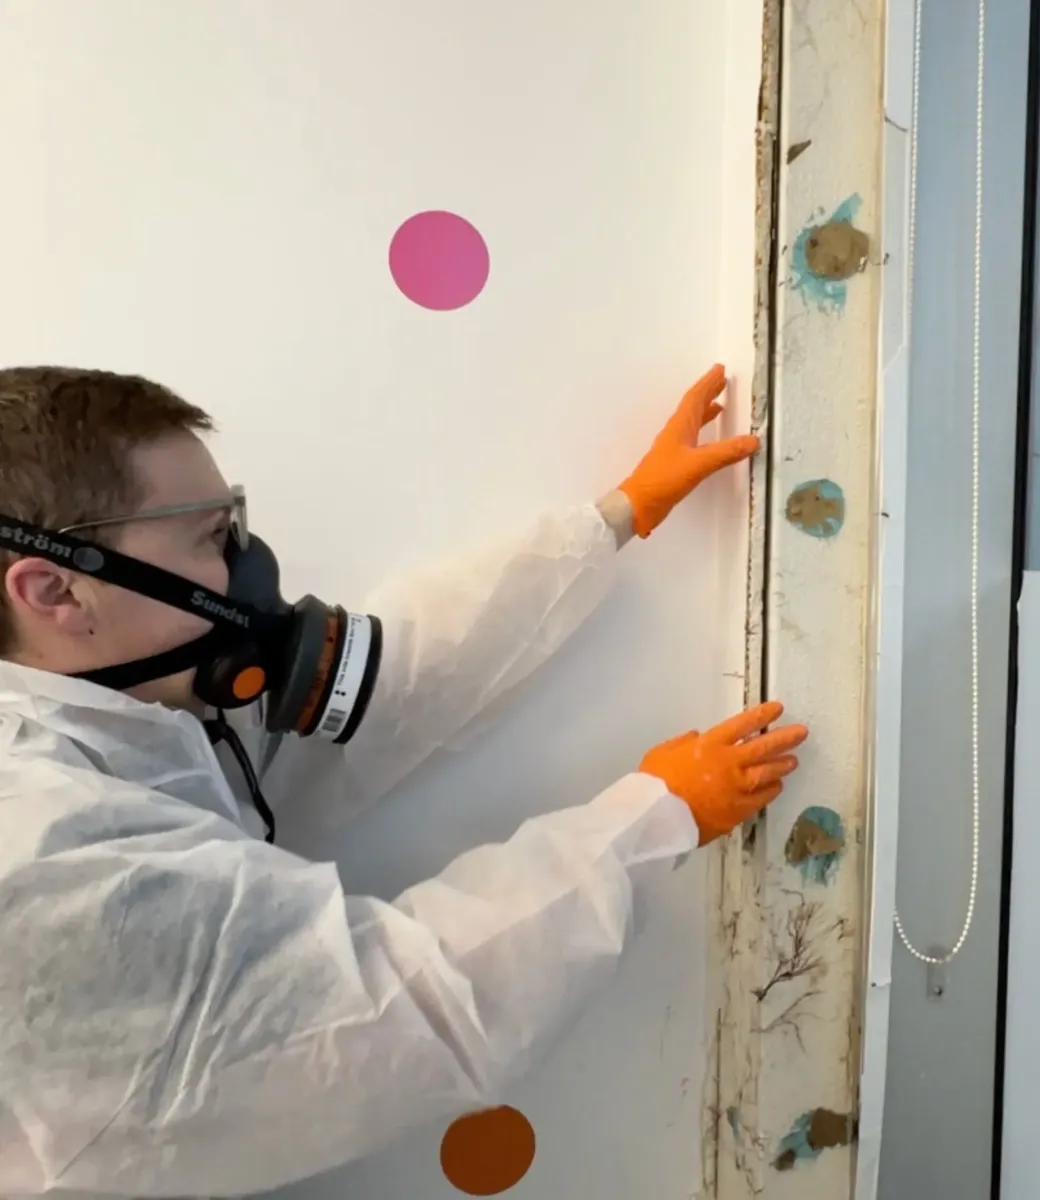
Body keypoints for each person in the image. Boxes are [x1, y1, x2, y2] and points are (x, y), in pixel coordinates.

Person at [0, 364, 808, 1199]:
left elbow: (377, 695)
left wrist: (616, 517)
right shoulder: (47, 858)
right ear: (56, 590)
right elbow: (395, 1013)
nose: (247, 564)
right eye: (210, 537)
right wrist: (652, 821)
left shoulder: (127, 722)